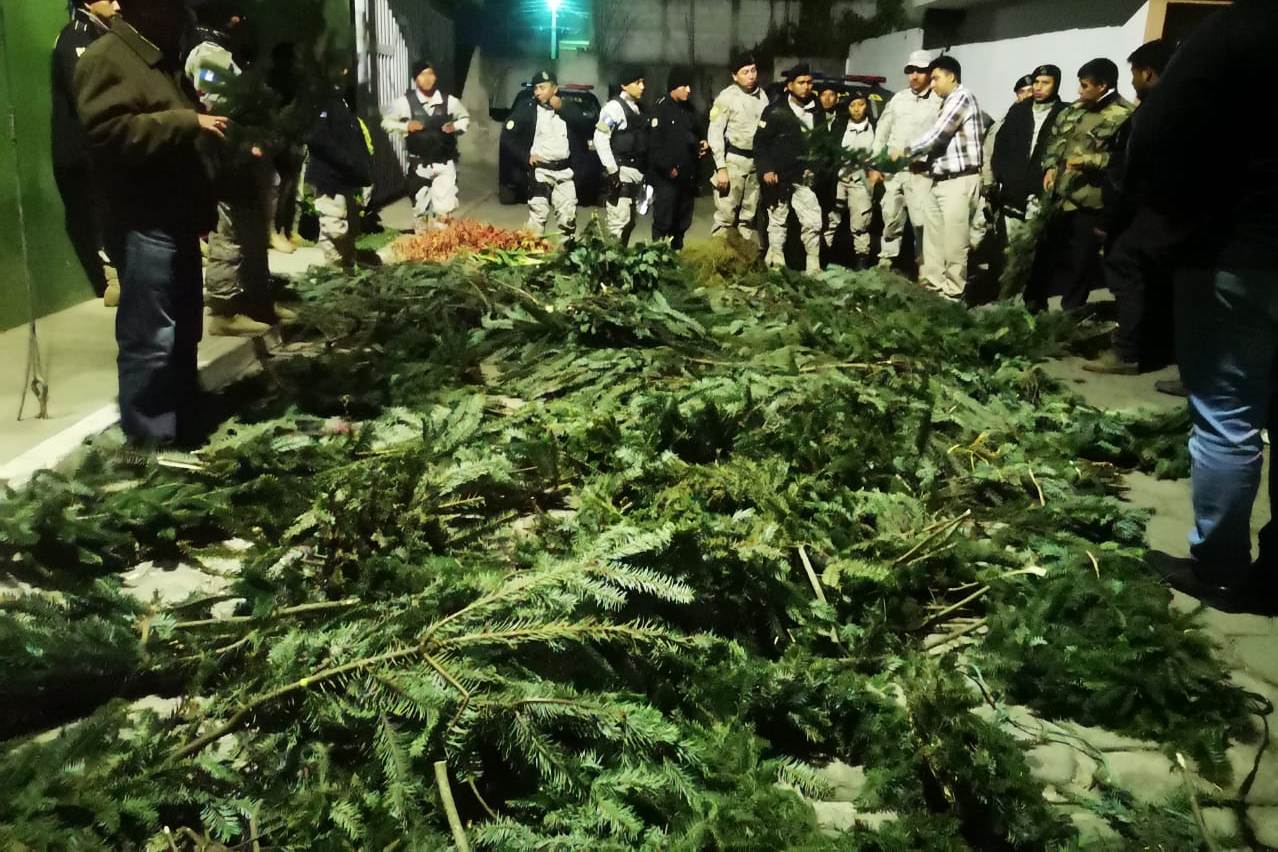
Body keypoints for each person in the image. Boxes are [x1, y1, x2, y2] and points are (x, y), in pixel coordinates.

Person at [1127, 0, 1278, 614]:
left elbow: (1159, 135)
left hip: (1240, 252)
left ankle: (1218, 568)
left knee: (1227, 416)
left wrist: (1170, 225)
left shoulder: (1241, 29)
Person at [74, 0, 223, 447]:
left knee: (183, 330)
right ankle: (151, 441)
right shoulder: (107, 59)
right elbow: (107, 133)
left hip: (175, 216)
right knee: (151, 337)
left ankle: (185, 421)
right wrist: (187, 121)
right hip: (143, 220)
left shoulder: (161, 60)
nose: (181, 15)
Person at [186, 0, 282, 337]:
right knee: (229, 233)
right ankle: (224, 308)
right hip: (225, 155)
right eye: (234, 15)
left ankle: (258, 301)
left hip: (243, 156)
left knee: (252, 231)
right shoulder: (206, 54)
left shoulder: (228, 53)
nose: (240, 20)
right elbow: (219, 100)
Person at [1083, 39, 1178, 375]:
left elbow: (1130, 174)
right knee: (1153, 282)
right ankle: (1152, 347)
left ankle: (1127, 353)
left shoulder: (1151, 113)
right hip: (1163, 215)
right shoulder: (1179, 107)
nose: (1134, 80)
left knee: (1128, 279)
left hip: (1142, 217)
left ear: (1147, 72)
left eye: (1135, 73)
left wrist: (1109, 220)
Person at [1024, 58, 1132, 313]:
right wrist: (1050, 166)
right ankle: (1033, 306)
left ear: (1103, 86)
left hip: (1090, 200)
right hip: (1059, 194)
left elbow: (1124, 160)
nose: (1080, 91)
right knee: (1045, 253)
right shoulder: (1074, 109)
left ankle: (1071, 315)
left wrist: (1089, 161)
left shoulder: (1124, 116)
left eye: (1085, 86)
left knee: (1080, 262)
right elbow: (1055, 140)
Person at [894, 55, 985, 301]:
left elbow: (937, 136)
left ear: (951, 76)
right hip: (941, 180)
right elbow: (945, 148)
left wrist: (904, 150)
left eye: (935, 78)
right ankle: (933, 289)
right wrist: (923, 165)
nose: (932, 84)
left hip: (959, 181)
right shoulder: (947, 102)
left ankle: (953, 294)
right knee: (933, 240)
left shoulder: (961, 97)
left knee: (955, 242)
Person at [51, 0, 122, 306]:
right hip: (83, 148)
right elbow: (87, 95)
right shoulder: (75, 37)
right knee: (95, 213)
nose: (118, 4)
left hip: (104, 144)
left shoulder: (105, 35)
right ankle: (111, 278)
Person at [869, 49, 942, 275]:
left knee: (921, 222)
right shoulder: (898, 99)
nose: (914, 76)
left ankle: (924, 268)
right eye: (910, 71)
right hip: (893, 171)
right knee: (890, 215)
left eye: (920, 71)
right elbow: (882, 132)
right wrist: (875, 165)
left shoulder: (939, 101)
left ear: (930, 73)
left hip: (921, 172)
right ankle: (887, 263)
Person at [501, 69, 592, 240]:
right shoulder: (528, 109)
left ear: (554, 89)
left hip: (564, 171)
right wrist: (525, 156)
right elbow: (507, 136)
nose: (538, 92)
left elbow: (586, 124)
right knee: (538, 217)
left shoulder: (568, 108)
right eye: (536, 88)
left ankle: (566, 258)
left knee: (568, 219)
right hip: (541, 171)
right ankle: (534, 258)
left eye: (542, 88)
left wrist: (562, 108)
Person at [382, 59, 470, 232]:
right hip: (418, 164)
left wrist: (455, 126)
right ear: (415, 78)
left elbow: (465, 118)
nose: (427, 78)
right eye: (422, 74)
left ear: (435, 77)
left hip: (444, 162)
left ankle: (440, 246)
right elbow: (386, 123)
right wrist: (406, 126)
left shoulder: (449, 101)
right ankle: (422, 243)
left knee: (444, 212)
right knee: (420, 210)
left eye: (430, 73)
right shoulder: (404, 103)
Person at [756, 63, 822, 273]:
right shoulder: (775, 111)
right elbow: (760, 143)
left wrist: (817, 167)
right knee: (778, 221)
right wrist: (766, 169)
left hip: (803, 177)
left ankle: (814, 265)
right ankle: (776, 264)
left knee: (813, 220)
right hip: (778, 178)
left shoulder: (816, 110)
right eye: (801, 83)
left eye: (809, 82)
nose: (806, 87)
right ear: (790, 86)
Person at [991, 64, 1066, 245]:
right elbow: (1001, 146)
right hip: (1013, 191)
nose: (1038, 87)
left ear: (1056, 85)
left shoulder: (1064, 112)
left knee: (1035, 248)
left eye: (1045, 83)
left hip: (1041, 193)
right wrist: (1004, 176)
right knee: (1009, 246)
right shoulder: (1019, 110)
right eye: (1036, 82)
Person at [306, 78, 374, 268]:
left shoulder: (342, 102)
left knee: (349, 226)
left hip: (346, 177)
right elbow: (316, 137)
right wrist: (346, 160)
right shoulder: (320, 101)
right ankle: (336, 268)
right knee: (334, 226)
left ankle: (344, 268)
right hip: (329, 177)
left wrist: (362, 168)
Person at [707, 53, 769, 243]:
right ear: (735, 76)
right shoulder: (726, 98)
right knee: (725, 217)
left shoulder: (762, 96)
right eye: (745, 72)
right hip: (733, 162)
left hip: (755, 163)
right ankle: (717, 261)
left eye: (753, 70)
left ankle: (743, 262)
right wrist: (721, 168)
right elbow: (715, 134)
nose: (751, 75)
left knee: (747, 219)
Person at [648, 66, 706, 250]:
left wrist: (702, 143)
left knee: (681, 222)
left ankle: (676, 255)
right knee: (664, 221)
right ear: (674, 86)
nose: (689, 90)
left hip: (686, 178)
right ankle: (659, 258)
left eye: (690, 86)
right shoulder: (661, 108)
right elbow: (654, 145)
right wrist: (667, 168)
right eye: (684, 86)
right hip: (667, 179)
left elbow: (696, 132)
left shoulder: (689, 110)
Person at [595, 67, 648, 246]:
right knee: (618, 225)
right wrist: (612, 171)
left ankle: (620, 263)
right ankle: (611, 269)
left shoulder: (637, 108)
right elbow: (600, 138)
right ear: (624, 85)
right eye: (637, 82)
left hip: (636, 174)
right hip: (621, 172)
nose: (642, 86)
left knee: (629, 223)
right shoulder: (613, 108)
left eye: (643, 82)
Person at [824, 92, 875, 268]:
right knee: (831, 218)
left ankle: (861, 261)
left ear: (866, 106)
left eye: (860, 104)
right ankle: (824, 257)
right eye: (852, 105)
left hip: (860, 182)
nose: (856, 109)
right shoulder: (840, 126)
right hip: (839, 179)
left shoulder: (874, 128)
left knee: (860, 223)